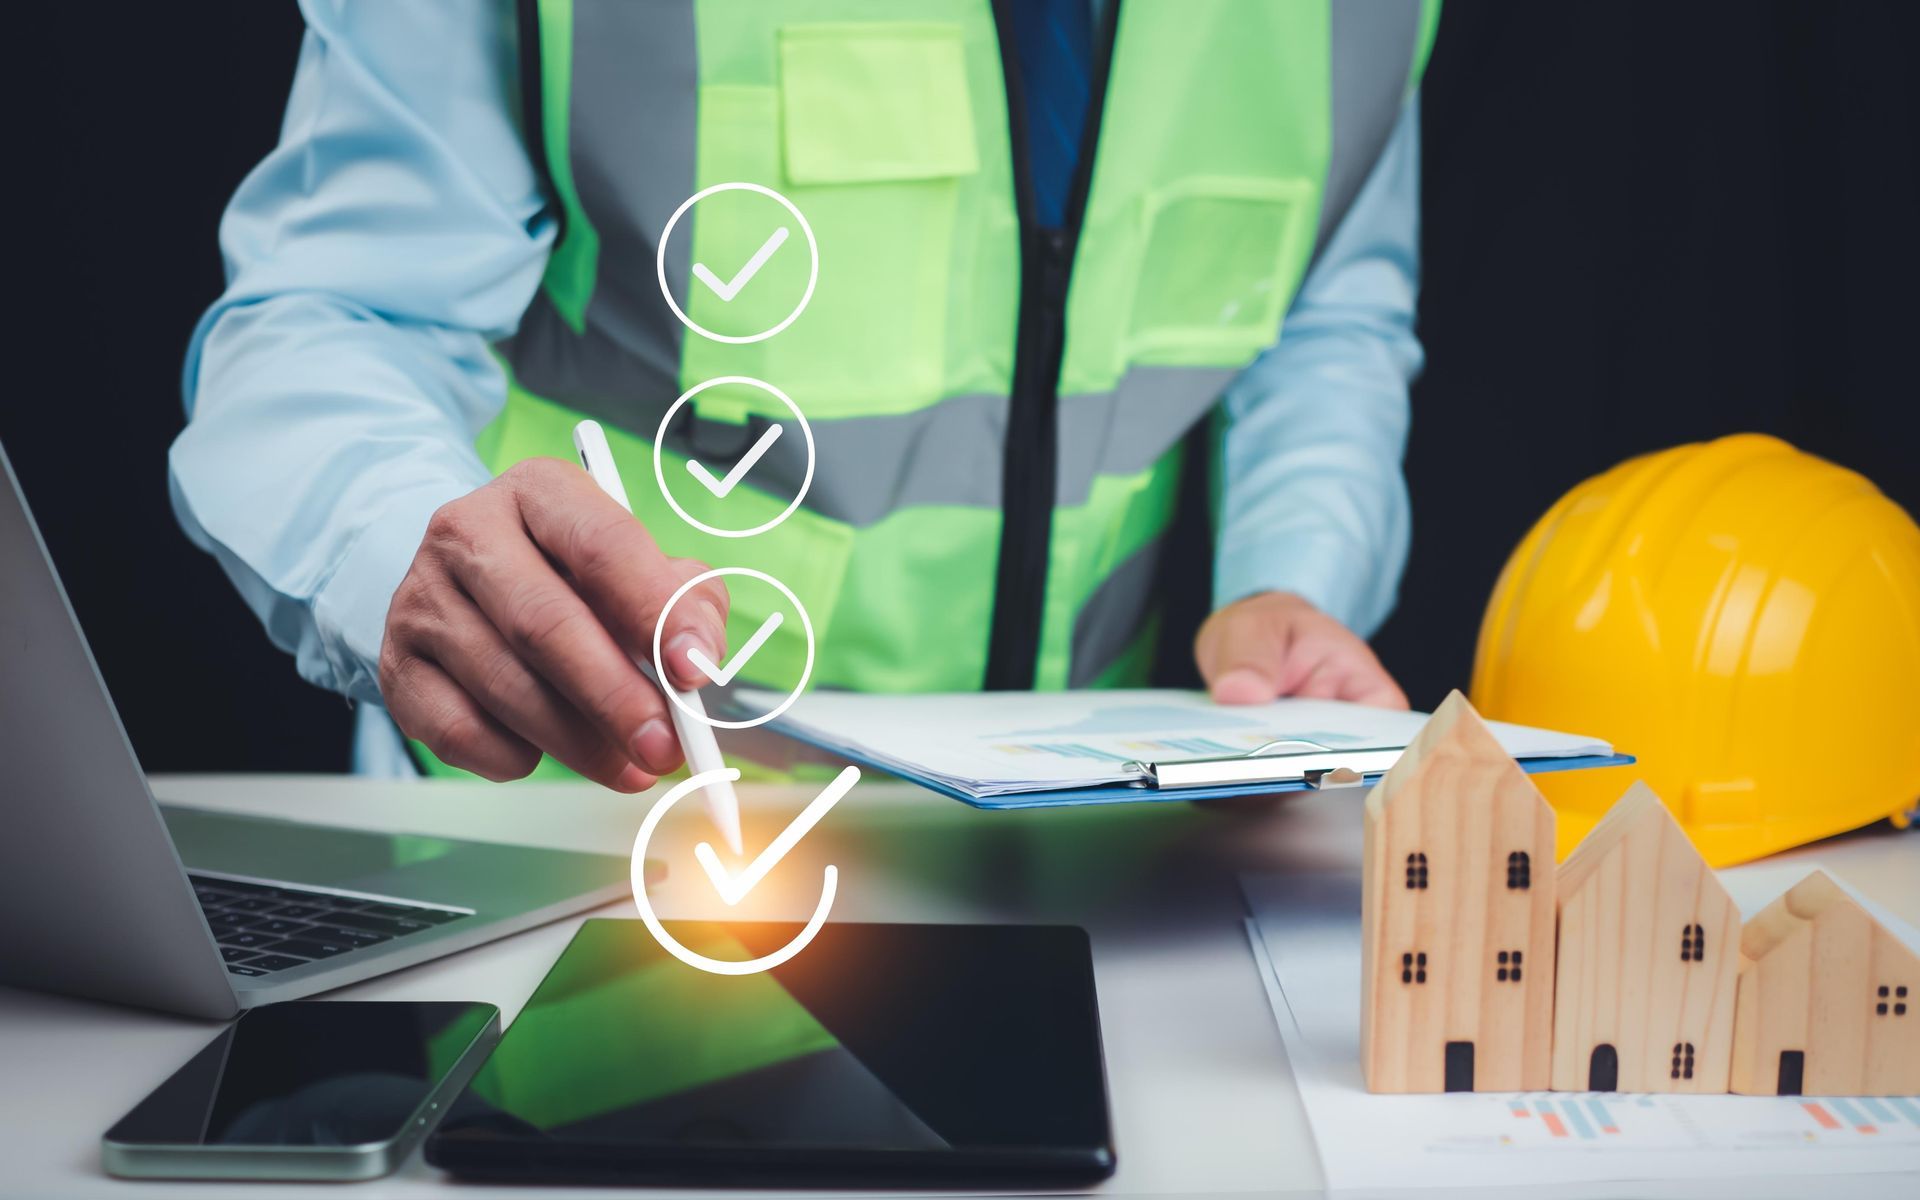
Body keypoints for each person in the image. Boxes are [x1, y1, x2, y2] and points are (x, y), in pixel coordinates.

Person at [171, 0, 1436, 792]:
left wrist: (1294, 579)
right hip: (579, 855)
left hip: (1096, 865)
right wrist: (396, 545)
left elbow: (1321, 308)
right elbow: (327, 316)